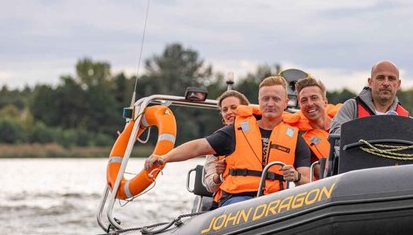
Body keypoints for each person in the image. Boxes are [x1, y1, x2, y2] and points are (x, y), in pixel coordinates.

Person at [144, 75, 311, 207]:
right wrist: (164, 157)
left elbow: (306, 181)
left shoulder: (296, 138)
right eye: (265, 99)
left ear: (285, 102)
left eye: (275, 99)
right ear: (259, 101)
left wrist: (295, 176)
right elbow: (197, 147)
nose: (270, 103)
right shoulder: (234, 131)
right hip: (237, 200)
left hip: (275, 202)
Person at [329, 60, 409, 141]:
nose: (386, 83)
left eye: (391, 79)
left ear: (398, 84)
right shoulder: (351, 108)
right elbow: (335, 136)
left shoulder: (406, 118)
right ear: (370, 82)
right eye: (380, 78)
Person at [202, 90, 249, 203]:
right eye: (225, 110)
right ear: (222, 116)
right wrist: (218, 176)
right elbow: (210, 185)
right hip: (228, 200)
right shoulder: (216, 142)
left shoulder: (262, 134)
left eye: (234, 107)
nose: (229, 112)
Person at [283, 76, 341, 164]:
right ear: (300, 106)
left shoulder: (345, 123)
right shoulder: (301, 143)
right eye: (304, 100)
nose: (309, 104)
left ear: (325, 102)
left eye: (314, 98)